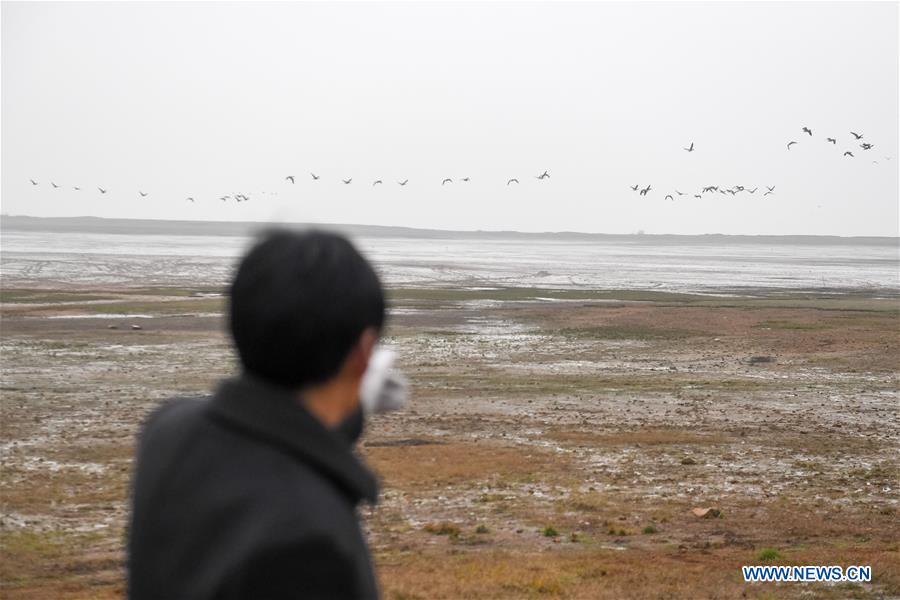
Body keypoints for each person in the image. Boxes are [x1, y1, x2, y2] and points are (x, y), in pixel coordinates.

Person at [128, 228, 405, 599]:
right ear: (365, 350)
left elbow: (281, 434)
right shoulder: (310, 544)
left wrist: (352, 402)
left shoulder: (168, 429)